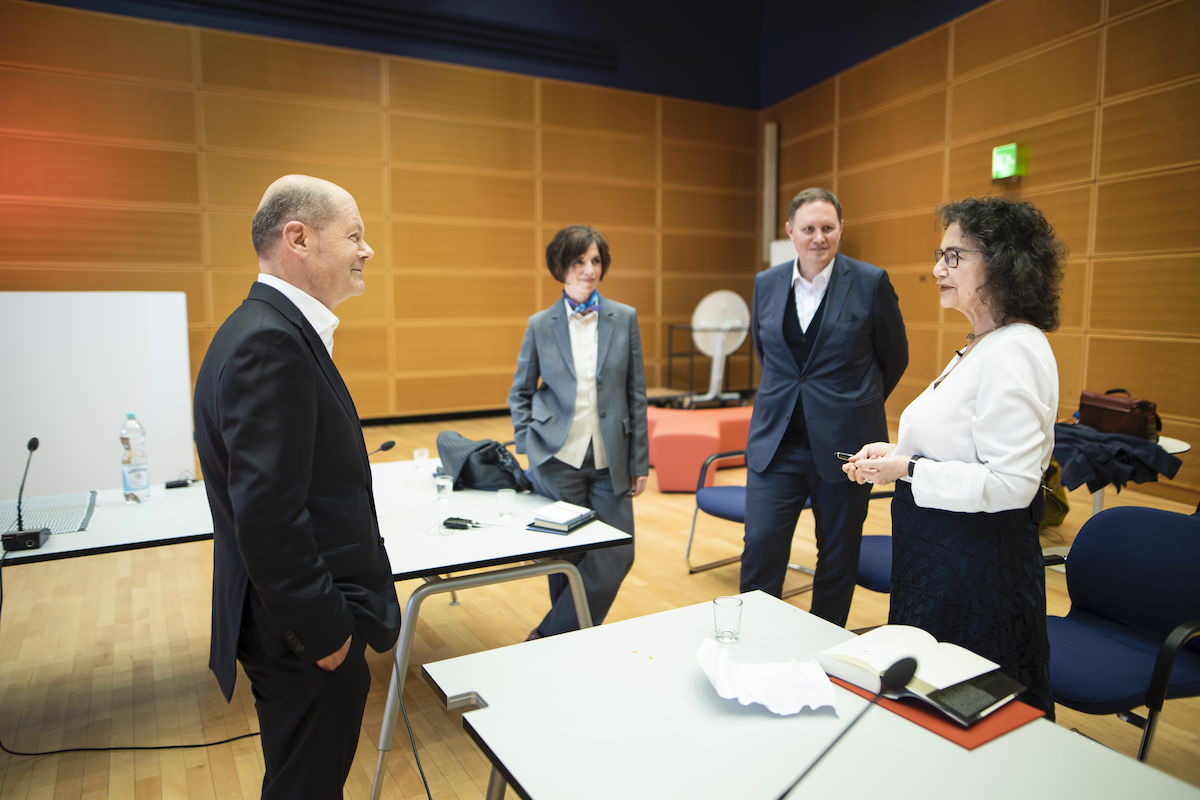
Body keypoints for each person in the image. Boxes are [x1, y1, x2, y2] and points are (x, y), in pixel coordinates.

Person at [194, 175, 402, 798]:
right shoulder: (270, 343)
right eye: (355, 236)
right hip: (303, 639)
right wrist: (327, 633)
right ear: (299, 239)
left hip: (292, 628)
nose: (368, 251)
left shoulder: (264, 329)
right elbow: (268, 519)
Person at [843, 196, 1064, 717]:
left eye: (954, 257)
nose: (937, 269)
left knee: (973, 711)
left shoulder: (1016, 350)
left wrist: (908, 469)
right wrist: (897, 452)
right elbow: (958, 445)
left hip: (977, 574)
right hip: (941, 562)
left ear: (1003, 264)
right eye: (940, 255)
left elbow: (1012, 484)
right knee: (933, 706)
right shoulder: (982, 343)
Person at [741, 188, 908, 627]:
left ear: (840, 229)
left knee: (837, 556)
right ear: (790, 231)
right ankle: (752, 645)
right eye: (809, 228)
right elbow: (768, 354)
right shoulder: (766, 282)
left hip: (843, 446)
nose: (819, 237)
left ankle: (823, 648)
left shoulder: (871, 282)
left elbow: (895, 358)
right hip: (775, 443)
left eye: (828, 228)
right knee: (760, 547)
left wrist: (849, 404)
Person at [508, 225, 648, 639]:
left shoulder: (624, 318)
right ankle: (570, 644)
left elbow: (636, 394)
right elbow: (520, 391)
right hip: (557, 458)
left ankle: (547, 637)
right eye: (579, 261)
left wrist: (639, 460)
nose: (589, 270)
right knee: (564, 555)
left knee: (618, 552)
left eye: (596, 261)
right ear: (561, 267)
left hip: (612, 459)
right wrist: (528, 445)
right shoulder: (540, 324)